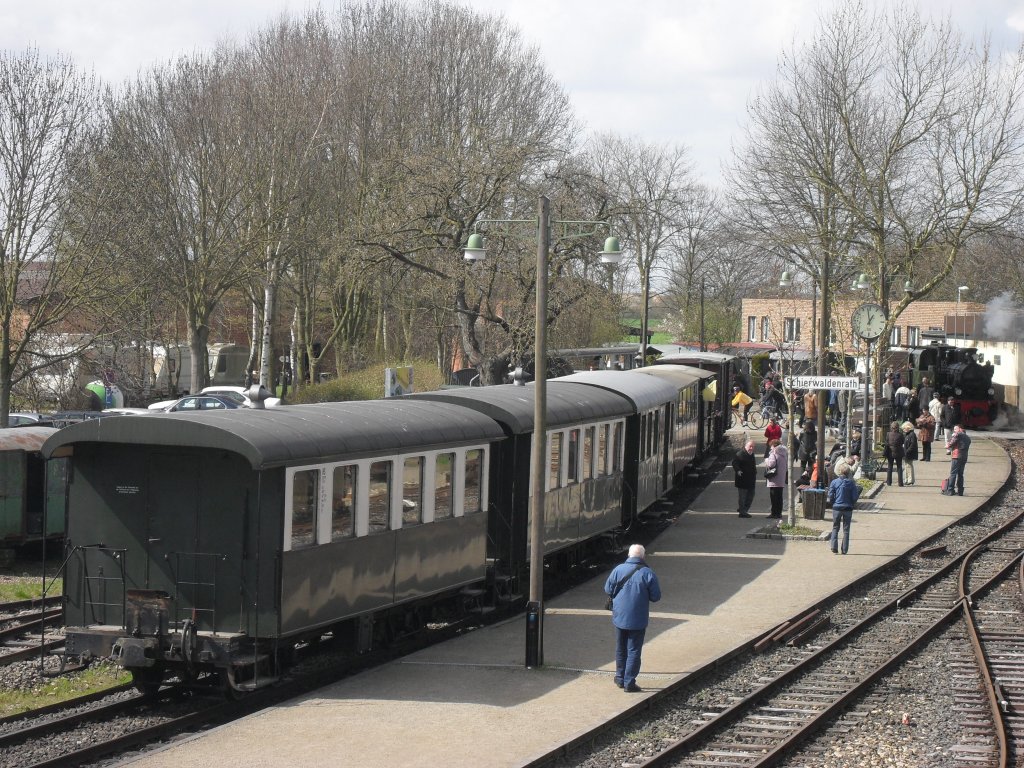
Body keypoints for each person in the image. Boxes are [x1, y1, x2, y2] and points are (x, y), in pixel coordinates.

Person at [604, 544, 661, 693]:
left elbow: (608, 589)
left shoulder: (617, 570)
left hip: (619, 617)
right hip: (638, 618)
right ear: (643, 556)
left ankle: (620, 677)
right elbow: (656, 596)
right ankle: (630, 682)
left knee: (620, 648)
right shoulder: (648, 573)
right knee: (634, 650)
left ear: (629, 555)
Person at [827, 464, 861, 555]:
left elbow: (830, 495)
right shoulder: (851, 483)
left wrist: (833, 502)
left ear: (840, 472)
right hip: (848, 508)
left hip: (837, 507)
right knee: (846, 529)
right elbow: (855, 496)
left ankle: (834, 546)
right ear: (848, 472)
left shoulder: (834, 482)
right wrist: (851, 503)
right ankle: (844, 549)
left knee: (835, 527)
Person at [943, 424, 972, 496]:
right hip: (964, 457)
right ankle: (960, 491)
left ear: (959, 429)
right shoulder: (968, 437)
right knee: (960, 474)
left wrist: (947, 445)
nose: (954, 430)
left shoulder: (958, 434)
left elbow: (953, 442)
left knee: (953, 473)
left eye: (955, 429)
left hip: (956, 456)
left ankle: (950, 490)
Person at [765, 438, 788, 519]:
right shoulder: (784, 453)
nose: (770, 448)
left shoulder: (773, 453)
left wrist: (766, 460)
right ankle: (779, 513)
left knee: (773, 496)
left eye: (771, 446)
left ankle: (774, 513)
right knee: (779, 496)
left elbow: (771, 464)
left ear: (774, 446)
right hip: (781, 478)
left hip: (774, 478)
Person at [731, 440, 756, 517]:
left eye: (752, 447)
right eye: (750, 446)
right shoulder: (740, 454)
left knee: (750, 496)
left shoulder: (752, 454)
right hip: (742, 480)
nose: (751, 448)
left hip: (751, 480)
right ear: (745, 446)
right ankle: (742, 512)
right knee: (743, 497)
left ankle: (743, 509)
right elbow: (734, 463)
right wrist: (738, 470)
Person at [884, 420, 905, 487]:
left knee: (890, 467)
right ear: (898, 427)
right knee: (899, 467)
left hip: (890, 452)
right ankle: (900, 483)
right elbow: (902, 442)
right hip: (898, 452)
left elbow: (886, 443)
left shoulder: (888, 434)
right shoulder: (900, 435)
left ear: (891, 427)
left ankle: (889, 482)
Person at [901, 421, 918, 486]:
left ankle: (910, 480)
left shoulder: (912, 435)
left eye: (904, 428)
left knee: (908, 466)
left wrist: (907, 451)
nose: (903, 430)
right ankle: (907, 479)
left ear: (908, 428)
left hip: (909, 453)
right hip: (907, 452)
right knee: (907, 466)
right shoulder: (908, 434)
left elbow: (913, 444)